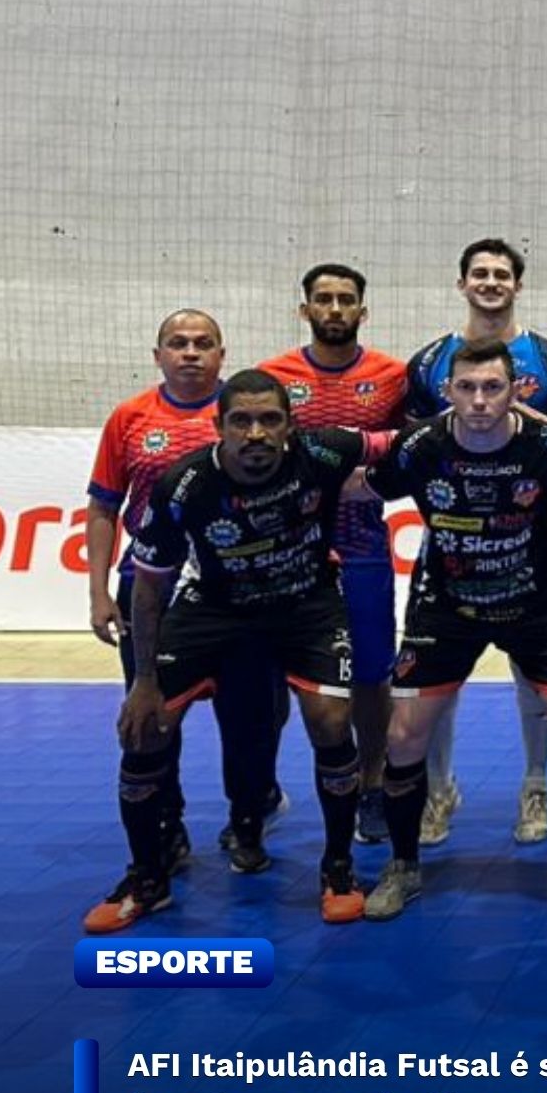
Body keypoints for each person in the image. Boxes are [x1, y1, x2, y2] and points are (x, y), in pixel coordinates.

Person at [82, 370, 387, 931]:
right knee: (145, 728)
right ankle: (147, 878)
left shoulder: (324, 451)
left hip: (306, 603)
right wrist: (144, 681)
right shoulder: (184, 485)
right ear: (218, 427)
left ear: (290, 426)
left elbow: (410, 443)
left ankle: (338, 868)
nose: (256, 433)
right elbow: (148, 589)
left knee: (329, 718)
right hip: (214, 608)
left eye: (269, 420)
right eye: (241, 421)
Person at [360, 340, 547, 921]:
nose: (478, 401)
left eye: (492, 388)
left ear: (514, 391)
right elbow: (359, 487)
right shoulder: (421, 446)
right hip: (447, 607)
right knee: (403, 738)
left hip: (535, 605)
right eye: (466, 388)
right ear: (447, 392)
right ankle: (403, 865)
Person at [85, 310, 285, 868]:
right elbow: (103, 507)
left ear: (222, 354)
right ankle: (166, 827)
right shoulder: (130, 418)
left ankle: (249, 818)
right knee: (153, 712)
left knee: (252, 715)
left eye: (203, 343)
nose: (191, 352)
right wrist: (99, 591)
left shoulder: (248, 416)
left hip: (241, 587)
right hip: (151, 586)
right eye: (178, 343)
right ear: (158, 356)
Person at [405, 238, 547, 846]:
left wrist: (522, 420)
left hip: (531, 545)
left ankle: (535, 786)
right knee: (437, 677)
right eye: (479, 273)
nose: (490, 282)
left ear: (518, 285)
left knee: (535, 673)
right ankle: (437, 789)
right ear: (462, 284)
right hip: (451, 548)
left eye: (502, 274)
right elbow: (415, 452)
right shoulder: (429, 361)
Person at [259, 264, 409, 844]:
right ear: (305, 310)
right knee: (273, 677)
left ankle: (372, 785)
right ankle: (260, 788)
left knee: (372, 672)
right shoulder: (273, 377)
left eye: (346, 299)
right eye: (323, 299)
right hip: (288, 552)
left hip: (363, 546)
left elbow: (413, 452)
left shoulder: (391, 376)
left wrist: (369, 483)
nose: (335, 309)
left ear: (362, 311)